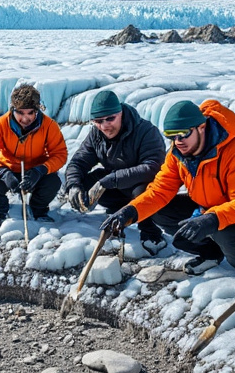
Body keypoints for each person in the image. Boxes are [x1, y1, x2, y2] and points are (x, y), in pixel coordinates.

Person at [102, 99, 235, 276]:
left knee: (224, 229)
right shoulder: (177, 154)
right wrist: (130, 211)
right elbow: (159, 191)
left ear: (201, 127)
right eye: (171, 136)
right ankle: (211, 253)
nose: (177, 141)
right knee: (160, 210)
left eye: (183, 134)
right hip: (208, 209)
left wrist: (211, 219)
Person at [63, 90, 172, 253]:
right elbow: (78, 161)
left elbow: (153, 167)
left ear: (120, 113)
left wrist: (113, 179)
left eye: (110, 119)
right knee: (86, 181)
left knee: (143, 189)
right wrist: (73, 185)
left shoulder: (146, 131)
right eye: (98, 121)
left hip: (143, 190)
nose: (105, 125)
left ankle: (151, 233)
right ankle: (116, 211)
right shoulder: (96, 135)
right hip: (116, 187)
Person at [0, 84, 69, 228]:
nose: (25, 118)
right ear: (13, 109)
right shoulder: (1, 124)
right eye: (20, 112)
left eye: (30, 113)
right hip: (8, 169)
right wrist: (2, 172)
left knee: (53, 182)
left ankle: (39, 209)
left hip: (36, 170)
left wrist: (41, 170)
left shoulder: (49, 126)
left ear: (37, 111)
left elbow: (59, 154)